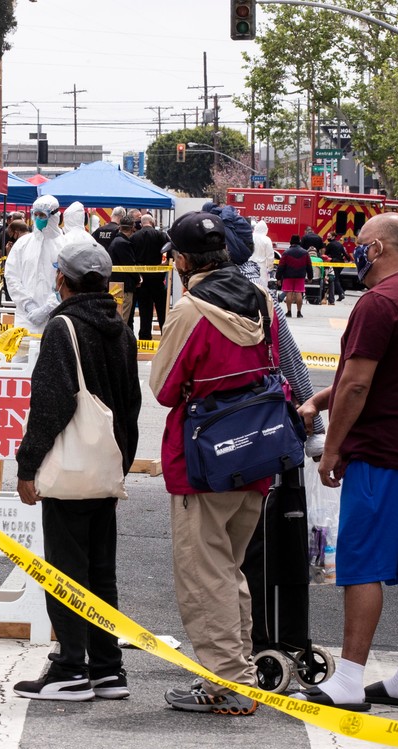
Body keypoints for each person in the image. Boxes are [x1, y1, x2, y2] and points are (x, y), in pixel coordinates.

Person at [290, 213, 398, 712]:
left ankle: (350, 679)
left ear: (377, 248)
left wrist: (332, 448)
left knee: (361, 563)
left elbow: (360, 383)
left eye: (360, 244)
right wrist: (322, 398)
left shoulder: (379, 302)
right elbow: (388, 373)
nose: (355, 251)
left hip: (382, 449)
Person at [150, 211, 281, 717]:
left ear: (182, 260)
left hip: (203, 460)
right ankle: (239, 671)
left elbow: (163, 389)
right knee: (229, 569)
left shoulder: (190, 310)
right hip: (257, 451)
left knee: (205, 575)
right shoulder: (262, 300)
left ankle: (226, 683)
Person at [12, 238, 141, 701]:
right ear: (105, 282)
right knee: (100, 569)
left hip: (69, 470)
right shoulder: (121, 328)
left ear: (61, 279)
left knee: (65, 569)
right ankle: (108, 667)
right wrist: (122, 459)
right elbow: (132, 404)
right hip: (106, 465)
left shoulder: (63, 326)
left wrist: (28, 464)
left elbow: (50, 403)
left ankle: (70, 666)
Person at [7, 195, 65, 334]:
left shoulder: (64, 246)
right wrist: (28, 305)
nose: (38, 218)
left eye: (42, 215)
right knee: (21, 355)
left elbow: (65, 283)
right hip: (25, 317)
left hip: (54, 316)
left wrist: (47, 308)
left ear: (54, 216)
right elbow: (12, 277)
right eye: (36, 214)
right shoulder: (23, 244)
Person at [131, 213, 169, 338]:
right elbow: (167, 255)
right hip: (158, 280)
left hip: (142, 281)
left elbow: (132, 258)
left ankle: (144, 337)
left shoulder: (134, 237)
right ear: (153, 223)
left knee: (144, 312)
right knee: (162, 312)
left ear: (141, 224)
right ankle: (165, 337)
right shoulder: (161, 236)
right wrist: (162, 265)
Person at [108, 215, 138, 325]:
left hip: (116, 286)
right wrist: (138, 279)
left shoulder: (116, 241)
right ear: (132, 228)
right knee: (122, 319)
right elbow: (130, 265)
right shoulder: (123, 243)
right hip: (124, 287)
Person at [277, 235, 313, 318]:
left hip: (288, 276)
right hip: (300, 276)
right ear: (299, 242)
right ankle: (299, 312)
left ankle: (289, 312)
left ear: (291, 241)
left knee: (289, 292)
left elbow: (281, 266)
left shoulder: (286, 253)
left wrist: (278, 277)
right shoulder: (305, 253)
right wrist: (310, 277)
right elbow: (309, 266)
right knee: (299, 293)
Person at [249, 219, 274, 289]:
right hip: (261, 266)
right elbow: (270, 256)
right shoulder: (267, 239)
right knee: (262, 287)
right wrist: (270, 267)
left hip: (248, 264)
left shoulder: (250, 237)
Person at [324, 235, 348, 302]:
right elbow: (344, 253)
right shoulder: (340, 244)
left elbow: (326, 254)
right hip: (341, 263)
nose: (327, 237)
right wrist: (349, 260)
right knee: (336, 278)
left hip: (334, 262)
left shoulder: (330, 245)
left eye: (329, 236)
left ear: (333, 237)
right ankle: (340, 293)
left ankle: (341, 293)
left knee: (335, 279)